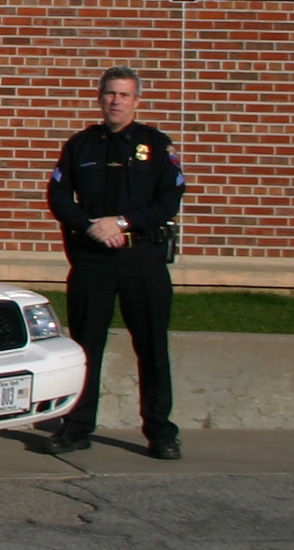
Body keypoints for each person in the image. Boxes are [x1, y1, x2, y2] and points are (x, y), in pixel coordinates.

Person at [45, 65, 188, 460]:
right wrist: (91, 226)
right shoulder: (81, 145)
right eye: (109, 93)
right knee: (85, 346)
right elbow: (58, 196)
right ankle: (76, 427)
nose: (115, 101)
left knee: (152, 347)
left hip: (142, 258)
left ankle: (160, 431)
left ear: (137, 101)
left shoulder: (157, 145)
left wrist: (122, 223)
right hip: (93, 260)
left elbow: (168, 200)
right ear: (99, 97)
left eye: (124, 95)